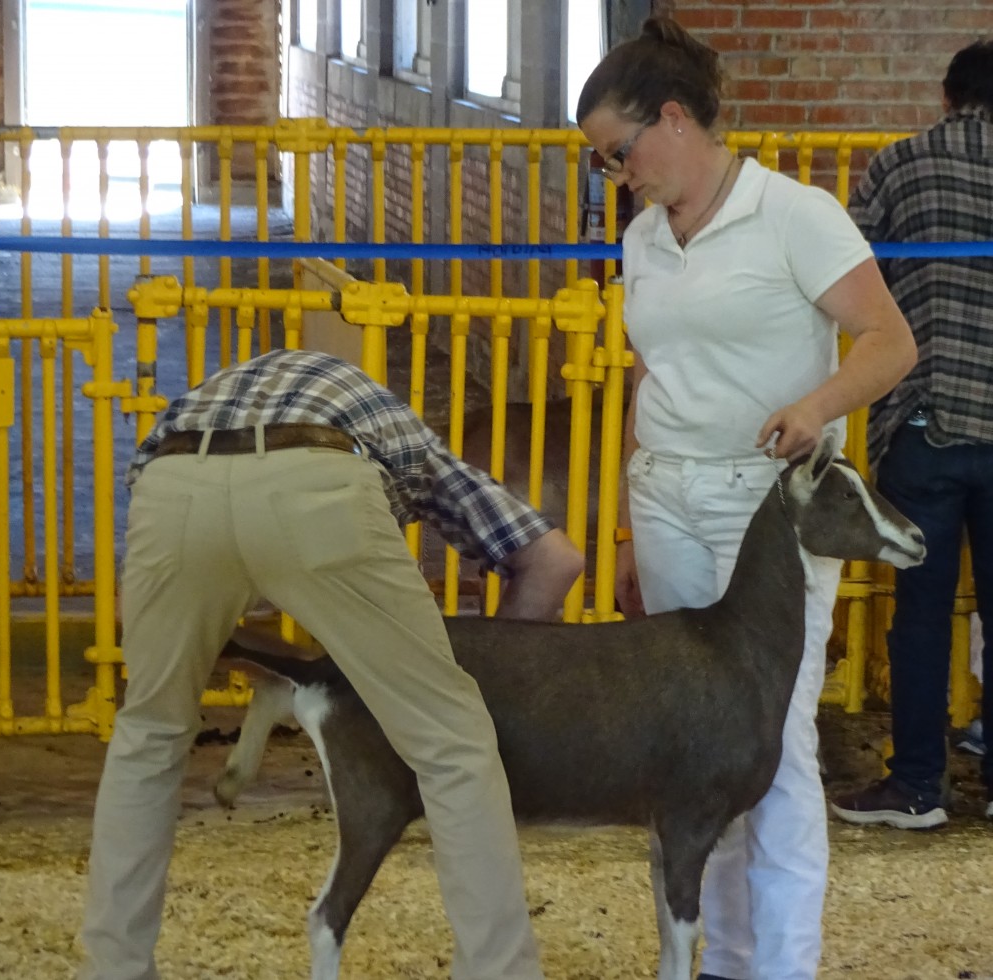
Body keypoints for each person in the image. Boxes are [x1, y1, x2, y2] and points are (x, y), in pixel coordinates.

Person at [576, 13, 917, 980]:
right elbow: (654, 377)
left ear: (673, 119)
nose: (617, 175)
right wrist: (629, 532)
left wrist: (816, 404)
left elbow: (890, 344)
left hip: (766, 508)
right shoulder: (645, 238)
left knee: (775, 751)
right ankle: (718, 958)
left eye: (618, 153)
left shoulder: (795, 214)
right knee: (694, 752)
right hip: (668, 494)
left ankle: (786, 965)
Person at [76, 347, 584, 980]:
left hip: (171, 482)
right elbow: (555, 561)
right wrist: (493, 671)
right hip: (317, 480)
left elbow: (148, 578)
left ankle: (112, 969)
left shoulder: (235, 390)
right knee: (454, 744)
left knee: (148, 733)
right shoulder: (411, 438)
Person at [831, 39, 993, 831]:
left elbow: (856, 281)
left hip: (928, 422)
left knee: (921, 615)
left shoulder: (900, 165)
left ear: (948, 95)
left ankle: (920, 786)